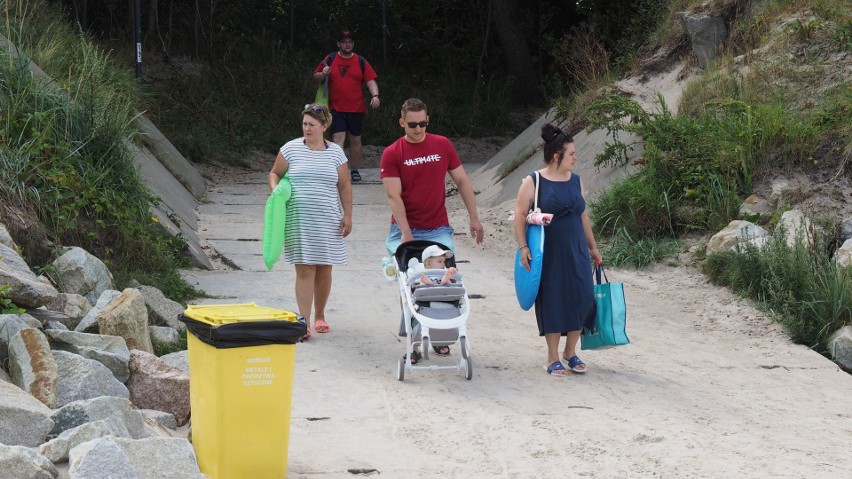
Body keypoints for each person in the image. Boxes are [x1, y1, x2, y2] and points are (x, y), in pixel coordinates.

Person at [381, 98, 484, 358]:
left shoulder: (442, 145)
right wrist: (406, 232)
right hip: (405, 229)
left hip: (437, 228)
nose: (418, 129)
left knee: (443, 282)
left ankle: (440, 334)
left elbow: (461, 180)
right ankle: (415, 343)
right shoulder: (393, 153)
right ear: (402, 122)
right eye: (412, 124)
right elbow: (394, 196)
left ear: (428, 120)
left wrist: (474, 218)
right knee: (412, 285)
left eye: (423, 124)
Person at [513, 123, 603, 377]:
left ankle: (571, 352)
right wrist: (523, 247)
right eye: (572, 153)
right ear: (557, 156)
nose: (576, 158)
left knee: (582, 297)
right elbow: (519, 216)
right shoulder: (534, 181)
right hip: (548, 251)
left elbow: (583, 216)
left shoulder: (576, 181)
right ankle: (552, 356)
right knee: (552, 299)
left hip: (576, 249)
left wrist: (593, 247)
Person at [268, 103, 353, 340]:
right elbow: (274, 173)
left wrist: (348, 215)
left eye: (312, 125)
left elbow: (344, 185)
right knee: (305, 269)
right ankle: (303, 322)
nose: (307, 128)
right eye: (304, 124)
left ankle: (320, 315)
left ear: (324, 126)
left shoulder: (335, 152)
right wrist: (275, 192)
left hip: (328, 218)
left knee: (324, 268)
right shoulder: (290, 149)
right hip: (298, 219)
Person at [313, 30, 380, 183]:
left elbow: (370, 80)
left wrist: (375, 96)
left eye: (350, 41)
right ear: (339, 44)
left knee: (355, 140)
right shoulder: (330, 58)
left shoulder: (361, 61)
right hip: (335, 107)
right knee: (338, 139)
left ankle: (355, 170)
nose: (347, 44)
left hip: (357, 108)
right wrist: (323, 73)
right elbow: (315, 77)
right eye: (344, 41)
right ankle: (339, 172)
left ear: (353, 44)